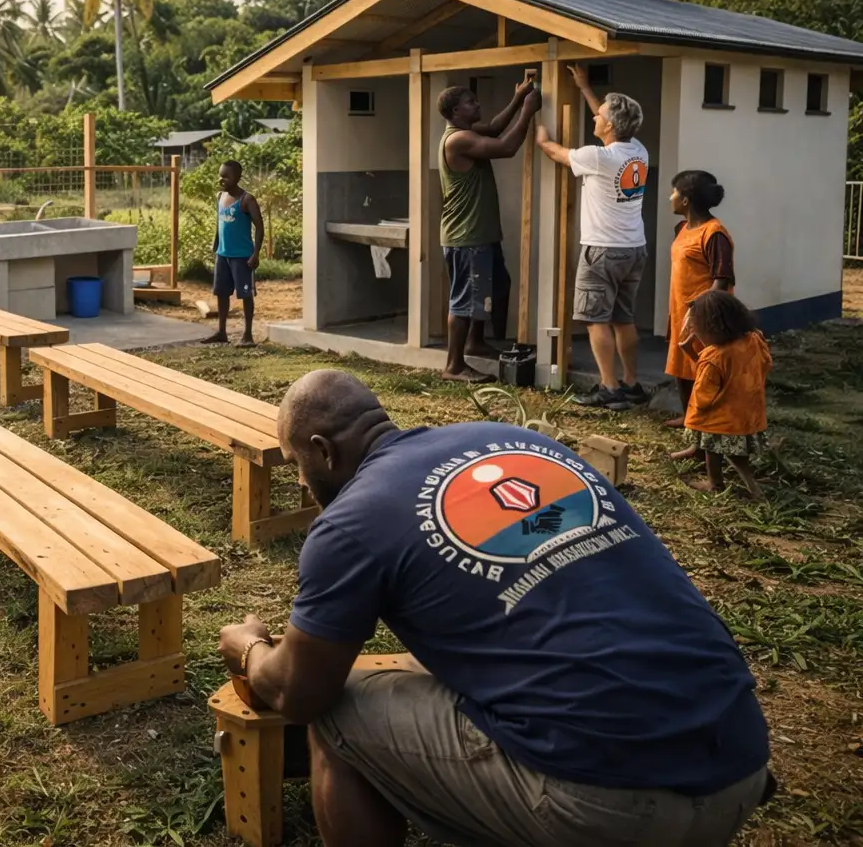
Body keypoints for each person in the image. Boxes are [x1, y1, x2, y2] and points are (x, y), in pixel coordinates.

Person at [218, 368, 772, 847]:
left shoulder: (350, 523)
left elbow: (300, 690)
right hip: (740, 763)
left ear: (323, 450)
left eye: (296, 463)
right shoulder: (515, 442)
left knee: (337, 715)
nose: (299, 479)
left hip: (608, 805)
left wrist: (249, 650)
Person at [534, 66, 651, 410]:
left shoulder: (595, 157)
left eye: (599, 116)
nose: (595, 118)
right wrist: (585, 87)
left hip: (601, 251)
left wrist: (539, 127)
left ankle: (609, 388)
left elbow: (553, 151)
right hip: (633, 248)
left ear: (610, 125)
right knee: (623, 318)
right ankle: (631, 383)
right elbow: (606, 114)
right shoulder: (637, 150)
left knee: (595, 319)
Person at [437, 82, 541, 382]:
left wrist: (518, 97)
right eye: (471, 102)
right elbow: (507, 147)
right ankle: (454, 366)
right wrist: (528, 111)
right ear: (456, 111)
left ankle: (475, 341)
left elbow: (495, 128)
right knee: (465, 299)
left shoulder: (468, 133)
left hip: (480, 233)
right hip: (466, 235)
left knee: (496, 287)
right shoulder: (457, 140)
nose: (478, 104)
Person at [671, 290, 770, 499]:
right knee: (738, 452)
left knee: (713, 449)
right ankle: (752, 486)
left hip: (721, 419)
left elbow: (704, 392)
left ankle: (714, 483)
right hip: (749, 413)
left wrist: (691, 351)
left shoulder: (713, 356)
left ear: (709, 328)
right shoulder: (753, 339)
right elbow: (766, 363)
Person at [665, 171, 735, 428]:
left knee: (704, 371)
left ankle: (704, 426)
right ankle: (689, 418)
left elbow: (722, 279)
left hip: (704, 317)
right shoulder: (682, 229)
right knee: (681, 367)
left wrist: (699, 311)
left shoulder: (715, 234)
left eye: (674, 192)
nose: (669, 197)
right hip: (679, 311)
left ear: (685, 200)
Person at [200, 159, 264, 347]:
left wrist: (256, 254)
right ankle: (221, 331)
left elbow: (260, 228)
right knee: (221, 293)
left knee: (245, 295)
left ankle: (248, 335)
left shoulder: (247, 200)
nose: (222, 179)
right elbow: (219, 223)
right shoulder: (220, 196)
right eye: (220, 175)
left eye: (226, 176)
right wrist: (216, 244)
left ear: (238, 177)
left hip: (242, 257)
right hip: (223, 255)